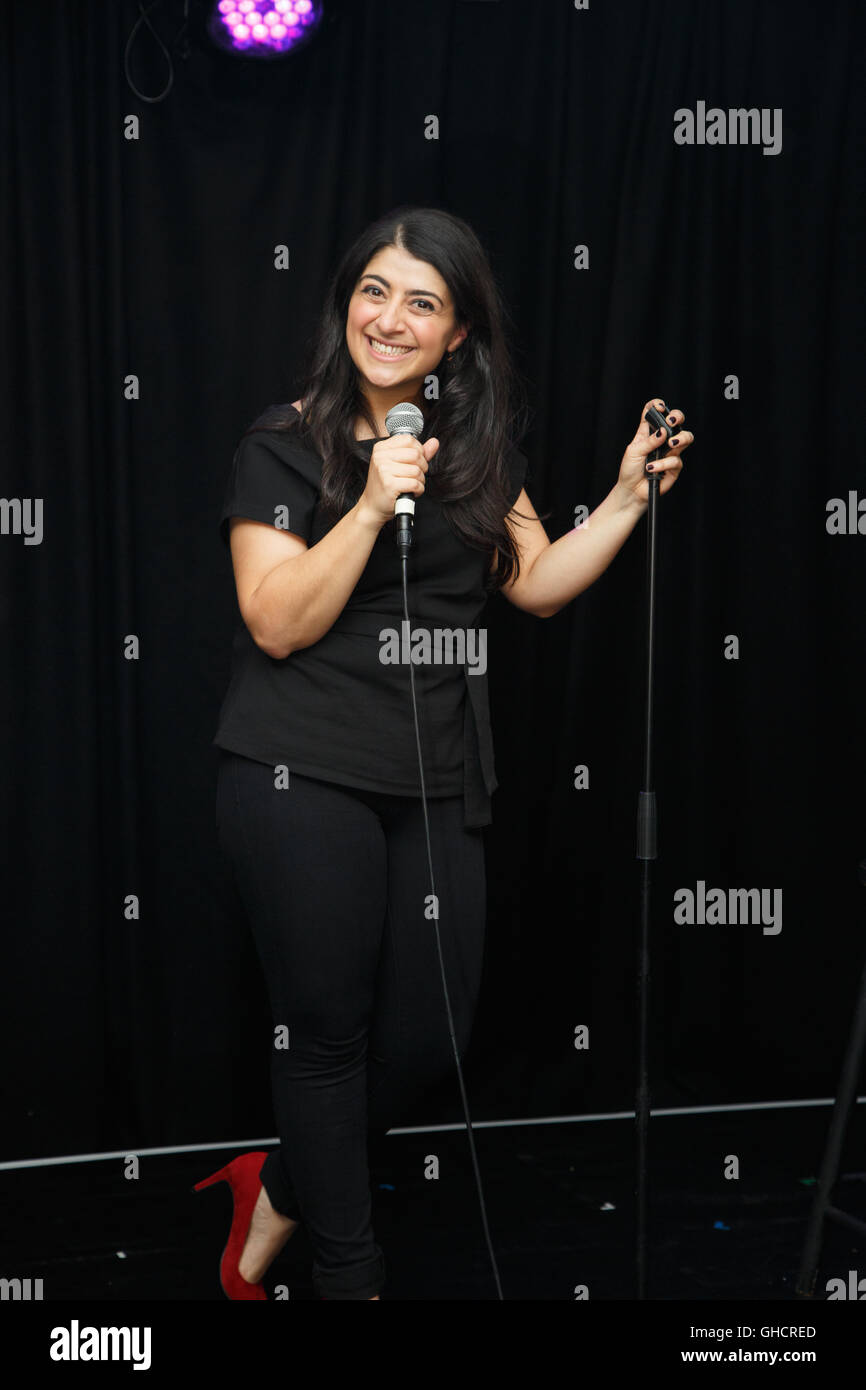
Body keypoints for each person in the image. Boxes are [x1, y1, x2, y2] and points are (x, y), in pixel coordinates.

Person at [196, 205, 693, 1301]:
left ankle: (278, 1180)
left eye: (422, 302)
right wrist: (370, 505)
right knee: (326, 1035)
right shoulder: (283, 439)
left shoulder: (474, 454)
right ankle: (349, 1273)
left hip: (433, 775)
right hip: (299, 771)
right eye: (375, 291)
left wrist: (622, 497)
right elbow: (275, 619)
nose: (391, 316)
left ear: (456, 333)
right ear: (345, 304)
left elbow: (537, 585)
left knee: (427, 1037)